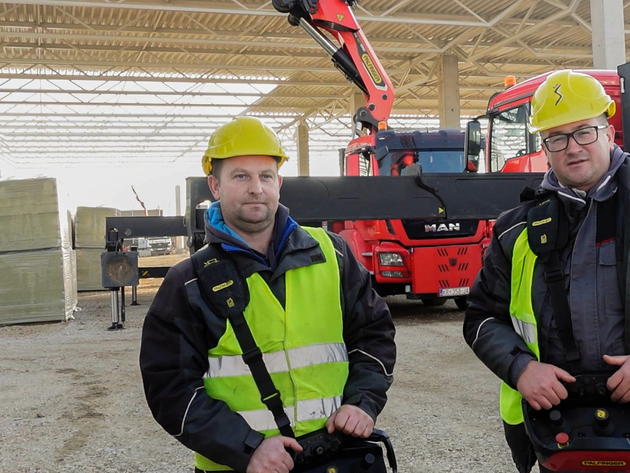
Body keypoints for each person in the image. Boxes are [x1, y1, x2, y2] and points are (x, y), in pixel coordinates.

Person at [139, 116, 396, 473]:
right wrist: (247, 448)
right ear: (215, 185)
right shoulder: (189, 281)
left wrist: (362, 401)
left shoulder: (332, 253)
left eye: (266, 176)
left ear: (279, 183)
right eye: (240, 176)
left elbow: (373, 333)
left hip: (336, 456)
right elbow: (170, 387)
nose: (256, 188)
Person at [463, 70, 630, 473]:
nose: (573, 148)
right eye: (557, 137)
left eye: (584, 132)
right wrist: (521, 368)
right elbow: (482, 317)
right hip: (557, 430)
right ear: (544, 147)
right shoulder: (516, 230)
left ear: (609, 133)